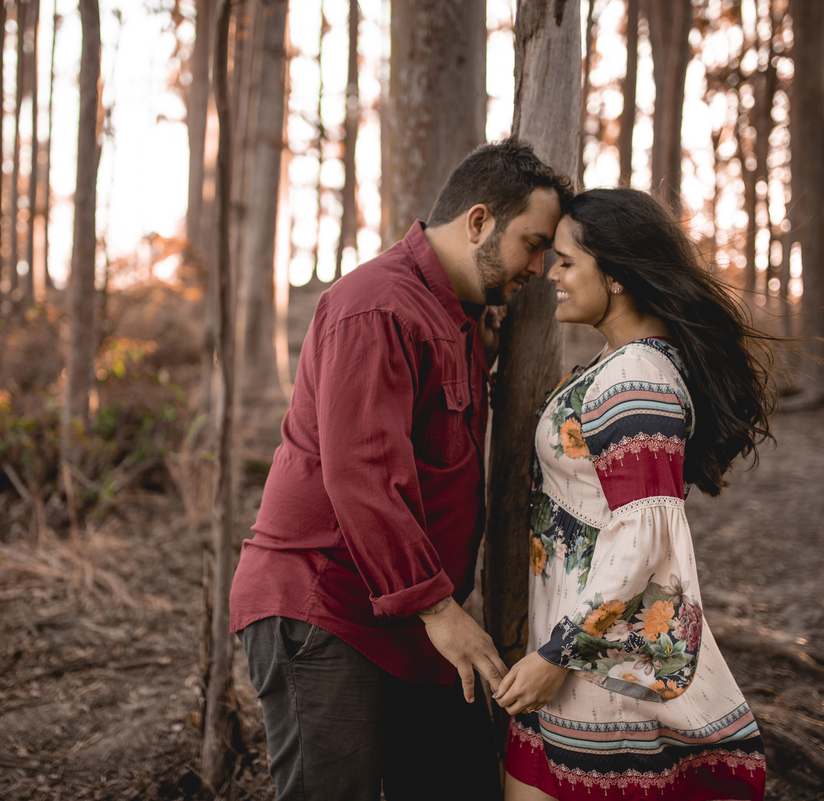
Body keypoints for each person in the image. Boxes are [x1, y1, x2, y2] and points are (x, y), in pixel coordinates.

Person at [229, 139, 574, 800]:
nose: (539, 267)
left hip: (415, 617)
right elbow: (362, 474)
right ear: (478, 222)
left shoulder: (462, 317)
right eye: (533, 244)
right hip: (328, 607)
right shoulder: (377, 306)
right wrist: (437, 607)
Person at [493, 187, 771, 800]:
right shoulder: (620, 362)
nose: (551, 275)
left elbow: (643, 538)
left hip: (595, 672)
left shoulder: (635, 378)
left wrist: (556, 655)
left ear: (616, 275)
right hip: (572, 660)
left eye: (567, 261)